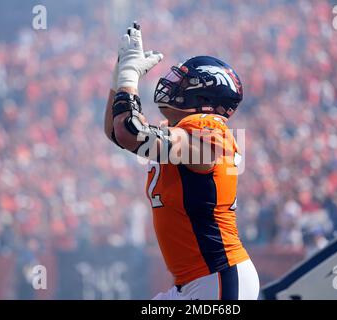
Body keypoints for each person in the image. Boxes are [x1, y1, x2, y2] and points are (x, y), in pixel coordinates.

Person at [103, 22, 259, 300]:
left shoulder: (210, 129)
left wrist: (129, 75)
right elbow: (117, 132)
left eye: (183, 82)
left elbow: (129, 131)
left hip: (218, 278)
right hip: (198, 281)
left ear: (203, 96)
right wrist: (119, 78)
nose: (171, 85)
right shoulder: (184, 134)